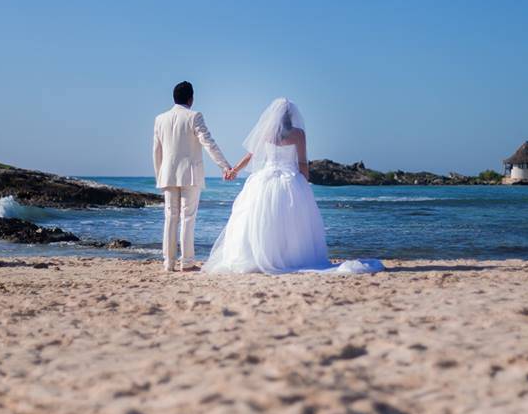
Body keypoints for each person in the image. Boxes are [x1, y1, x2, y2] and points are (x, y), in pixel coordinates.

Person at [202, 98, 382, 275]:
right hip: (290, 180)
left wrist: (234, 170)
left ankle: (259, 256)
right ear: (291, 116)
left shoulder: (266, 133)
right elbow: (303, 162)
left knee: (262, 219)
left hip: (265, 179)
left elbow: (250, 156)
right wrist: (305, 183)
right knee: (291, 222)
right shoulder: (298, 134)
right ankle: (289, 257)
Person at [153, 81, 232, 272]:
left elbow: (156, 150)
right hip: (190, 174)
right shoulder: (194, 116)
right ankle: (186, 262)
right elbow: (208, 143)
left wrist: (159, 175)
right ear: (191, 98)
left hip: (168, 174)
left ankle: (168, 262)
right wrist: (225, 166)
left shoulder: (160, 119)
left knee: (170, 217)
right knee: (188, 217)